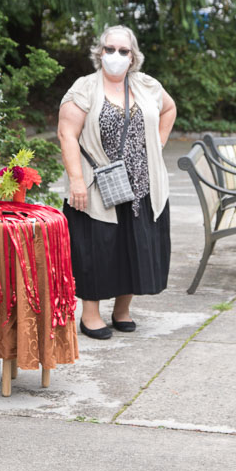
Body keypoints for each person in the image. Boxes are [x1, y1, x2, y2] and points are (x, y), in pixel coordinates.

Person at [58, 25, 177, 339]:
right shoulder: (84, 88)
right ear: (100, 52)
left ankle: (122, 310)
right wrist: (76, 181)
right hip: (99, 186)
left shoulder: (147, 85)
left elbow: (169, 109)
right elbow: (66, 134)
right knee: (96, 250)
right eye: (110, 49)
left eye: (123, 51)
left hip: (142, 187)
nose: (116, 56)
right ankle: (91, 314)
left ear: (133, 56)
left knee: (135, 248)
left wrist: (158, 145)